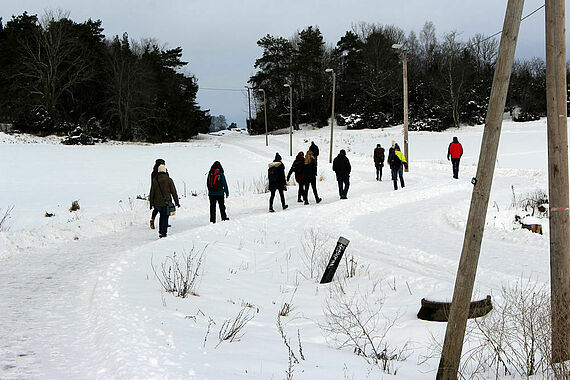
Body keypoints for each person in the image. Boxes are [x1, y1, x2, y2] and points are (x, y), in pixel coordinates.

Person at [149, 163, 180, 238]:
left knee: (161, 216)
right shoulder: (169, 180)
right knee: (165, 217)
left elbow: (152, 192)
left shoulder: (155, 180)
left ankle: (160, 232)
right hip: (167, 202)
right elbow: (173, 192)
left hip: (158, 203)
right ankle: (163, 233)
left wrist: (151, 204)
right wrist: (177, 202)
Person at [149, 158, 165, 229]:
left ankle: (152, 220)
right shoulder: (163, 172)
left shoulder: (153, 173)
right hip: (162, 191)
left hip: (155, 191)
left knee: (156, 208)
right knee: (164, 208)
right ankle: (164, 223)